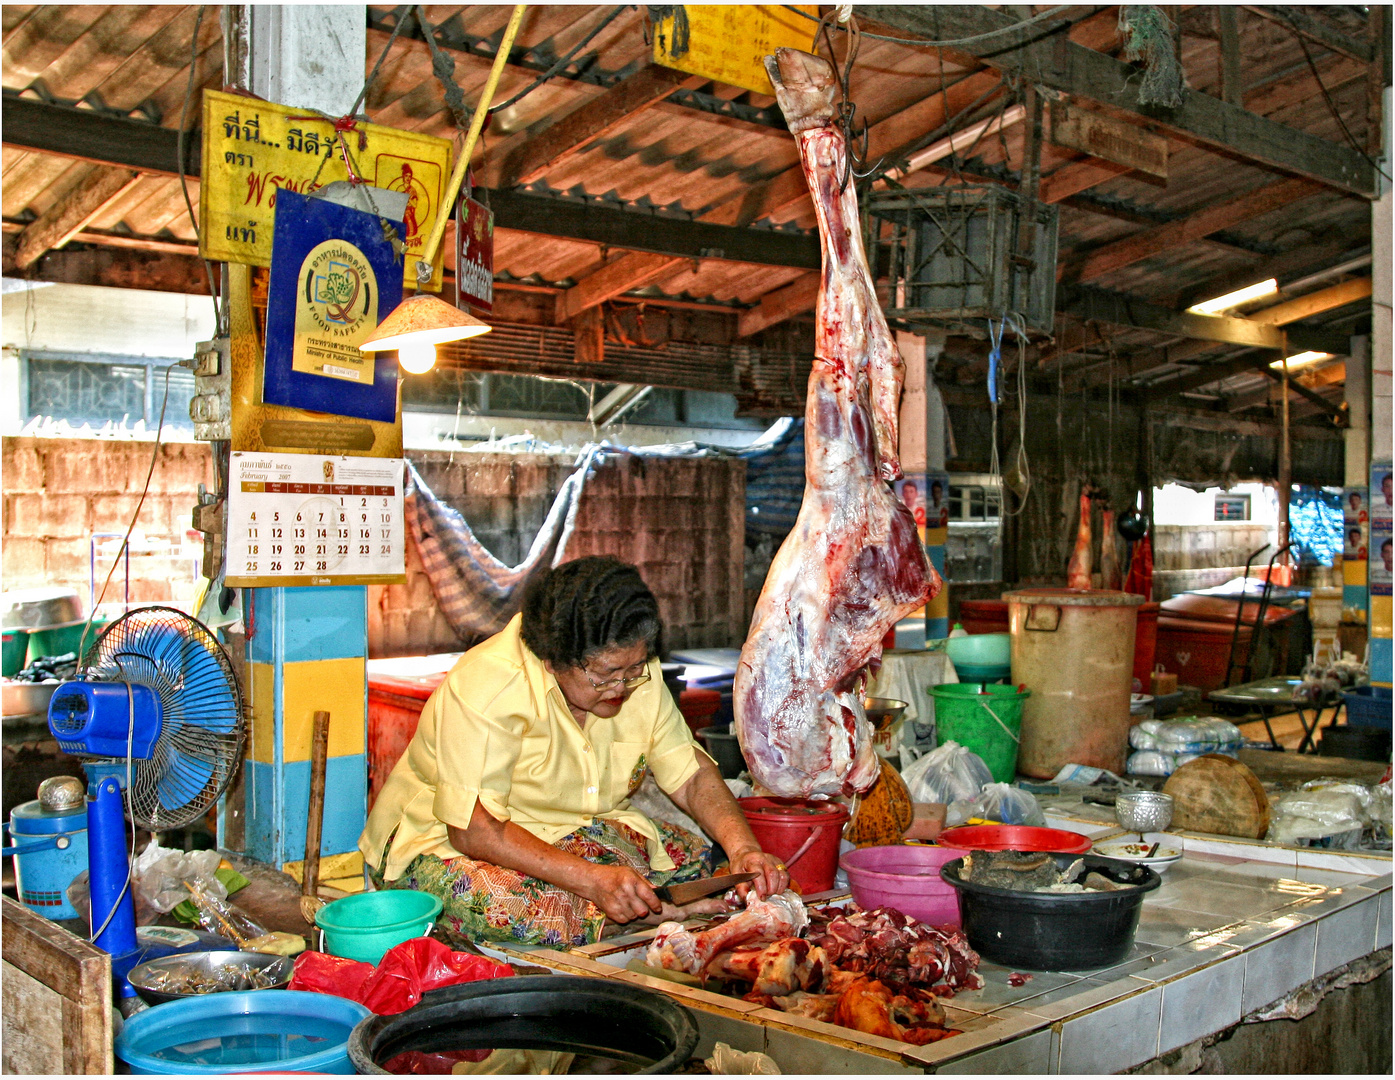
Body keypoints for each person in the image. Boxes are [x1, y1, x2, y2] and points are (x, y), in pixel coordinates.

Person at [359, 556, 789, 948]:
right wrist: (591, 881)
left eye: (634, 669)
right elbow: (475, 830)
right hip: (439, 840)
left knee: (690, 859)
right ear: (551, 659)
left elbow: (690, 773)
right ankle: (629, 917)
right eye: (605, 676)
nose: (622, 687)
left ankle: (636, 912)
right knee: (512, 904)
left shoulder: (637, 672)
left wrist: (742, 847)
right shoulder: (490, 684)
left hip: (562, 827)